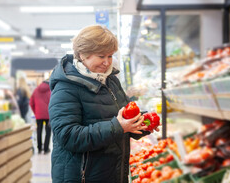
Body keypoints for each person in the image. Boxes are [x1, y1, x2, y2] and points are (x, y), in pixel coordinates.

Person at [48, 25, 159, 183]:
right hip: (82, 177)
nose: (107, 62)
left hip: (111, 174)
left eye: (110, 56)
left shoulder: (110, 80)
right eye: (101, 56)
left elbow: (124, 117)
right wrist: (118, 126)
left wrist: (143, 123)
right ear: (82, 55)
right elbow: (68, 136)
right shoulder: (65, 87)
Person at [29, 79, 51, 154]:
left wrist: (36, 112)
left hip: (39, 114)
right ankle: (46, 148)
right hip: (48, 115)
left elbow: (31, 103)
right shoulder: (50, 90)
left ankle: (39, 148)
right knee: (48, 132)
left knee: (39, 131)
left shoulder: (36, 90)